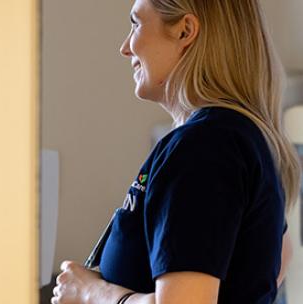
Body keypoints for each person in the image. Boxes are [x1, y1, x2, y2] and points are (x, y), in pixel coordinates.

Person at [51, 0, 300, 303]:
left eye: (136, 24)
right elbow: (279, 254)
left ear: (185, 31)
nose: (125, 47)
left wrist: (90, 292)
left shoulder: (203, 146)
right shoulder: (236, 137)